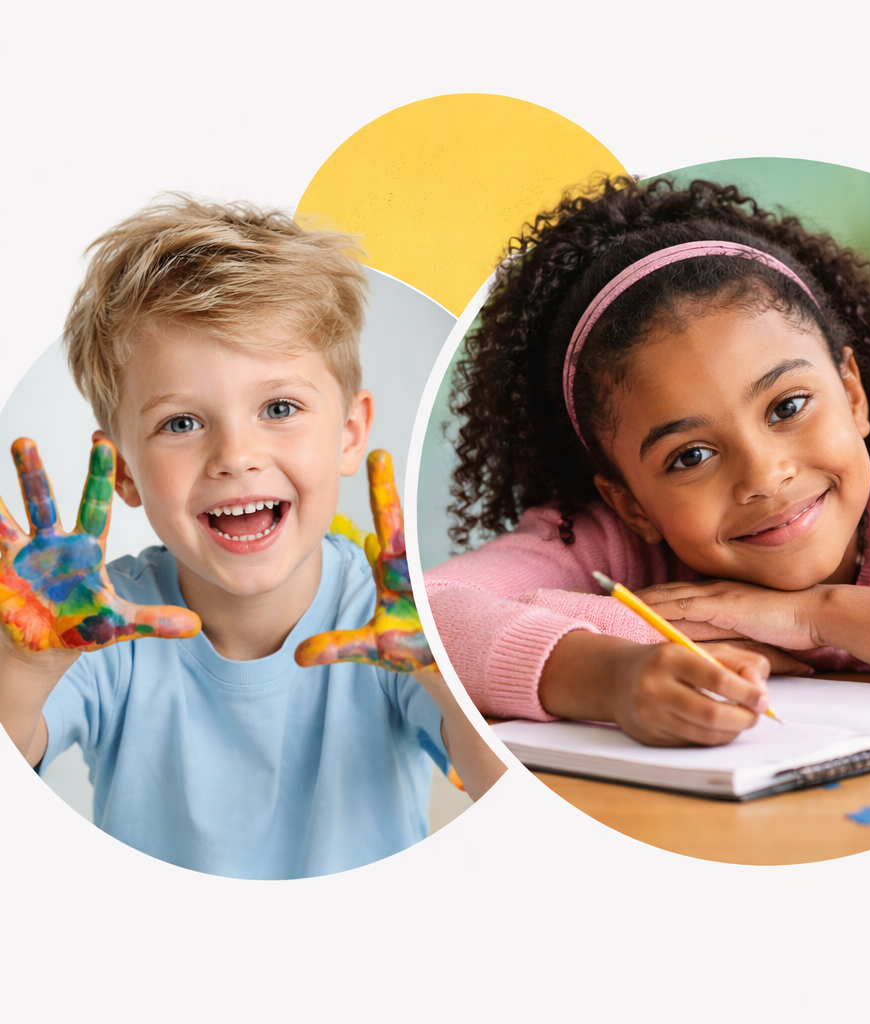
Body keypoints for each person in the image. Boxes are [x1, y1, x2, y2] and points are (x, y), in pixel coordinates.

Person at [425, 177, 870, 747]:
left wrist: (818, 616)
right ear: (632, 501)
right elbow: (420, 615)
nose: (763, 476)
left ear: (851, 393)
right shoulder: (604, 537)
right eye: (690, 455)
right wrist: (613, 677)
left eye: (787, 407)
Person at [0, 196, 503, 879]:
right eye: (181, 422)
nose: (236, 455)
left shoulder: (389, 621)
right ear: (122, 469)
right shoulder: (98, 621)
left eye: (279, 408)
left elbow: (506, 800)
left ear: (350, 433)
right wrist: (24, 671)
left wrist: (439, 671)